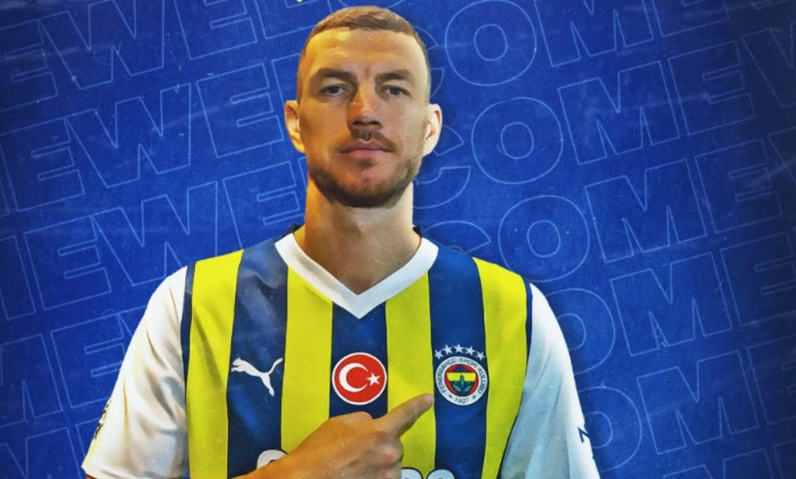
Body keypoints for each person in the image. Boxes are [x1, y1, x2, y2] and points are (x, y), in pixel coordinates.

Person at [82, 6, 599, 479]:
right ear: (295, 123)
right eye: (334, 88)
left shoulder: (513, 313)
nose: (364, 111)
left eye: (394, 89)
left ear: (430, 128)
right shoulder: (193, 304)